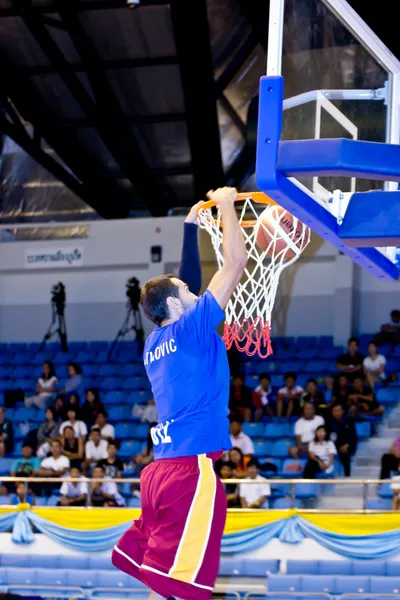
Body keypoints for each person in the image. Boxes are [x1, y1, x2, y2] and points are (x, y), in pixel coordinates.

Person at [112, 188, 248, 600]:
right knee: (181, 589)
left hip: (161, 474)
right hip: (189, 472)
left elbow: (179, 285)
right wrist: (226, 204)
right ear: (176, 304)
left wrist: (190, 229)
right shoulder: (191, 329)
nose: (197, 292)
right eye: (189, 292)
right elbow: (237, 262)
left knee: (166, 584)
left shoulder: (156, 342)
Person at [327, 404, 357, 477]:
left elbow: (353, 436)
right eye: (335, 411)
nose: (337, 413)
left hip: (347, 445)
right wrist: (337, 447)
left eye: (339, 411)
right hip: (334, 445)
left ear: (342, 411)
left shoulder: (349, 421)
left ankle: (347, 476)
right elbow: (330, 438)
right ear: (332, 412)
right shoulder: (329, 423)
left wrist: (347, 445)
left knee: (345, 454)